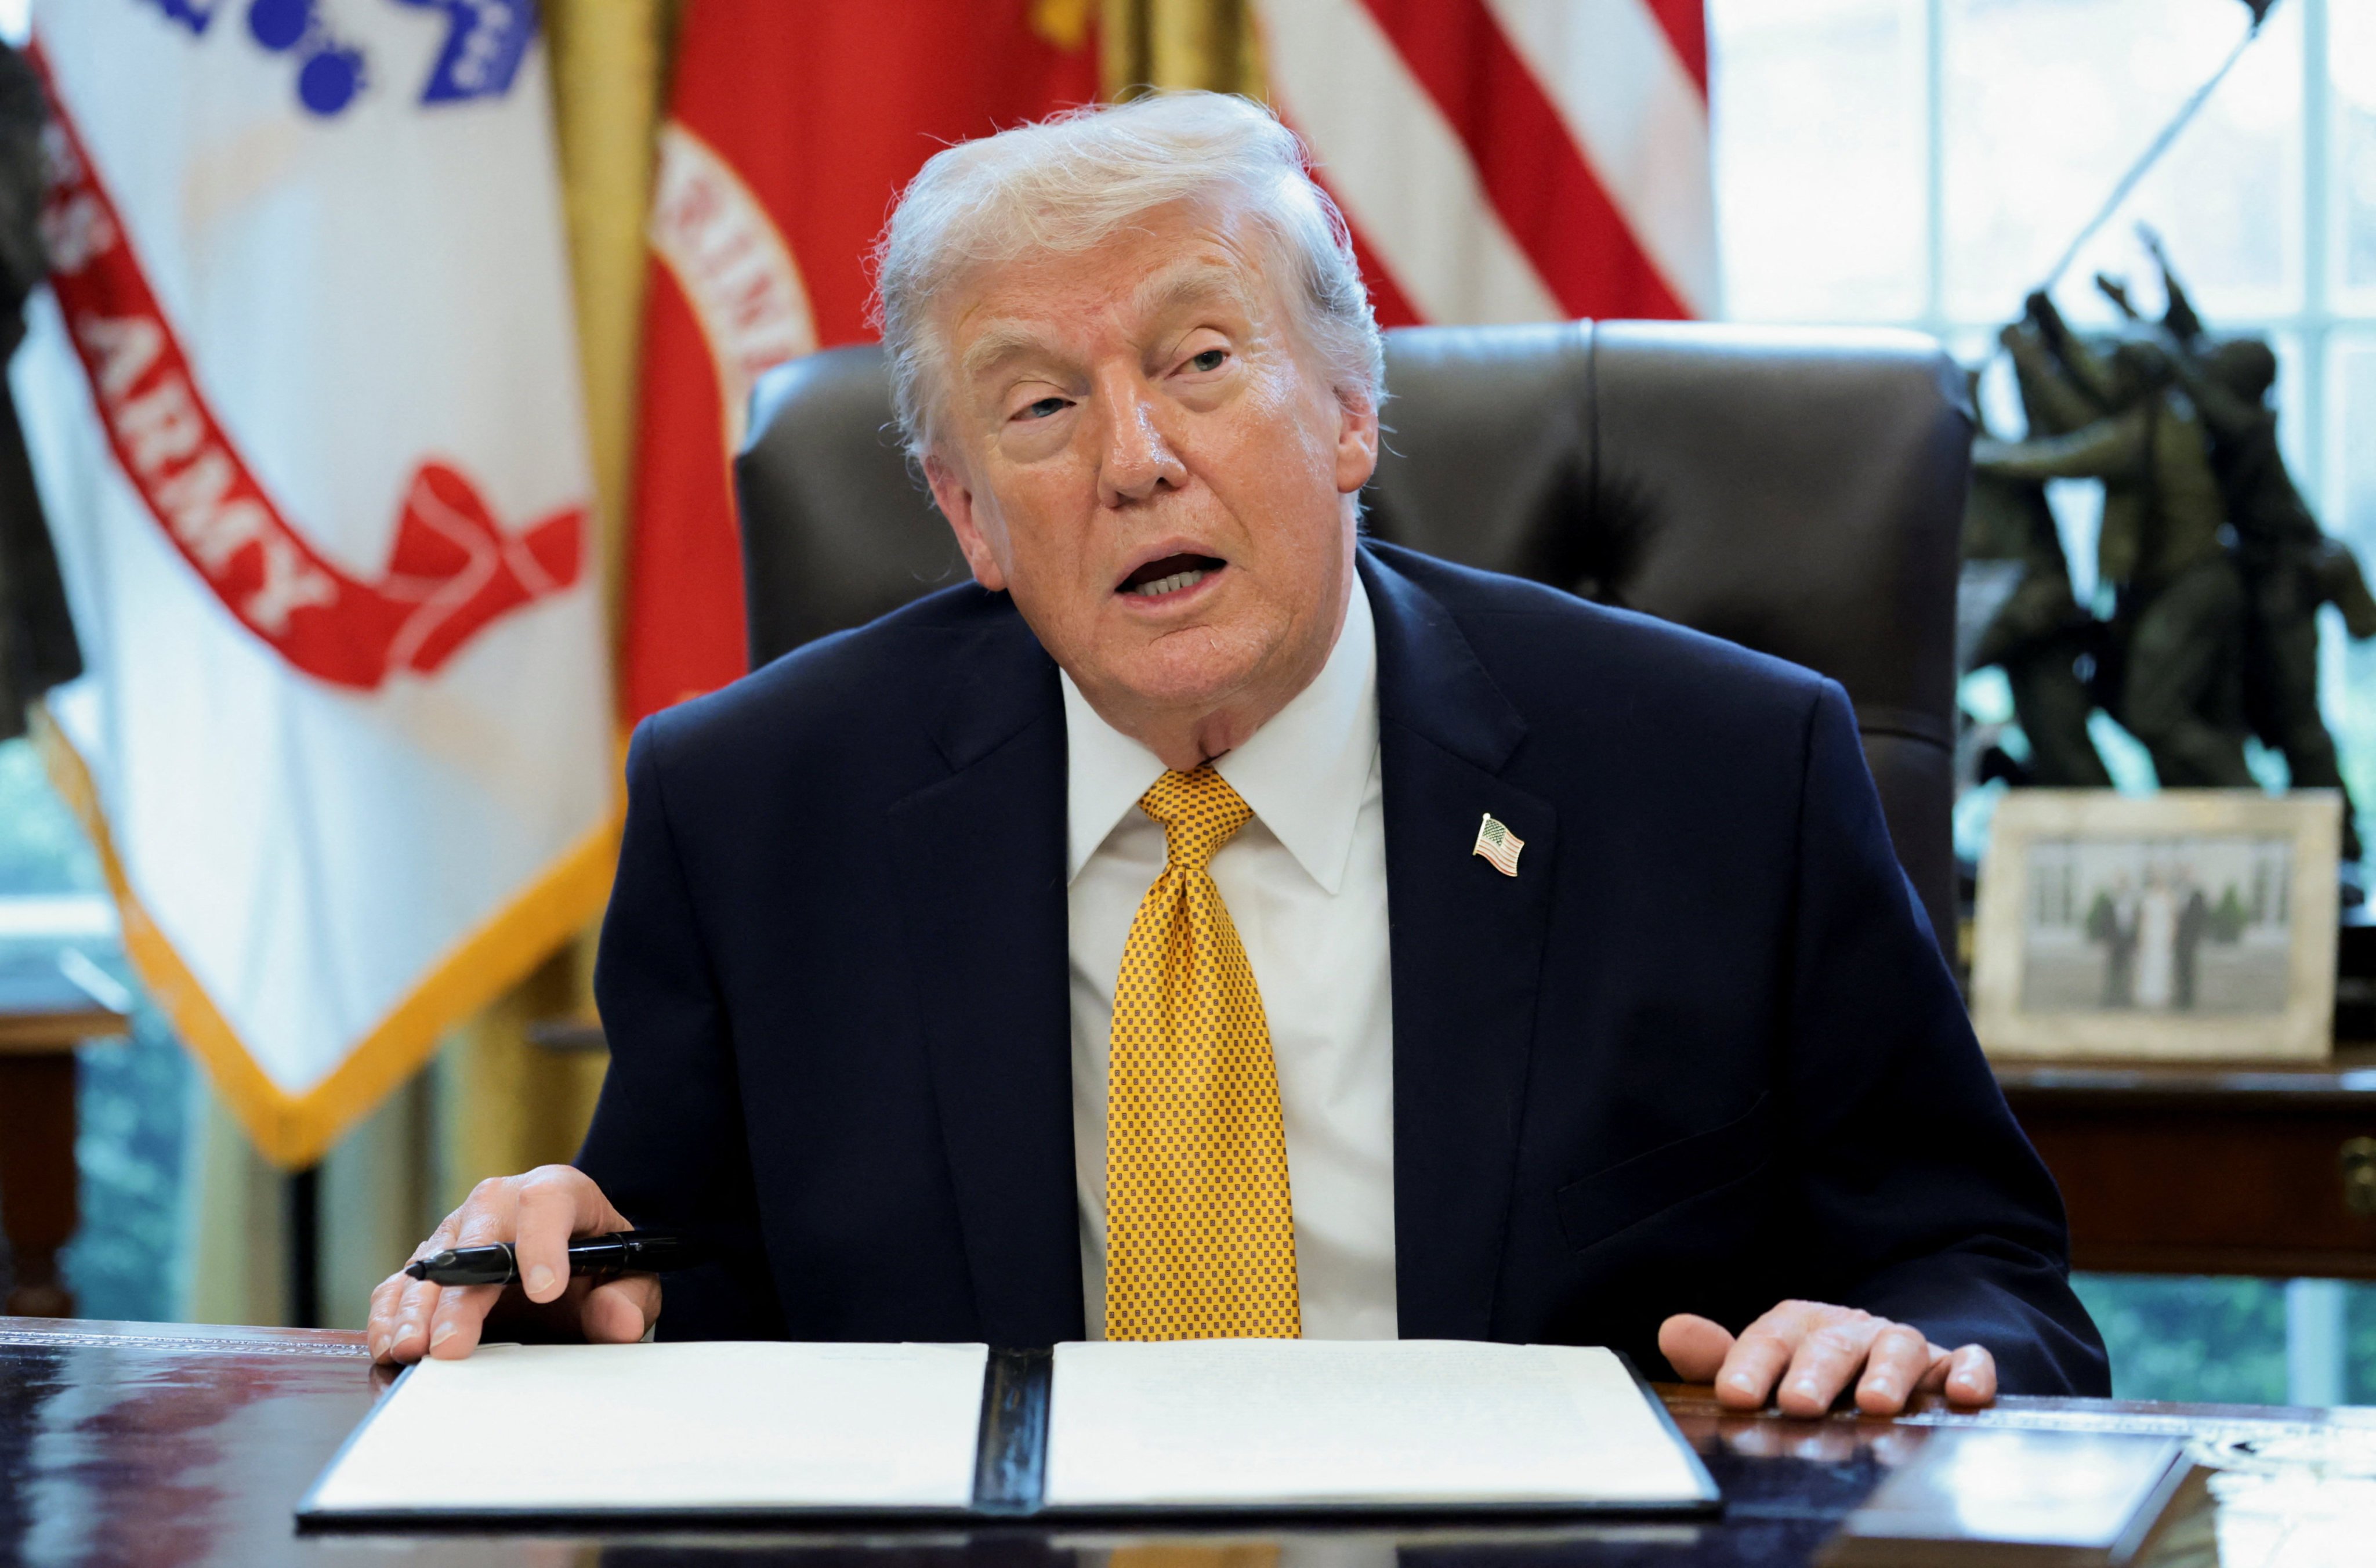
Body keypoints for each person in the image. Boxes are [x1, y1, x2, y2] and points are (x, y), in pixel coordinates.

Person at [370, 93, 2106, 1414]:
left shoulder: (1722, 773)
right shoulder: (753, 812)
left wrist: (1897, 1340)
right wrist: (572, 1277)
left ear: (1350, 411)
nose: (1134, 459)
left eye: (1202, 361)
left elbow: (1990, 1277)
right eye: (1041, 406)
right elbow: (684, 1286)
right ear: (968, 515)